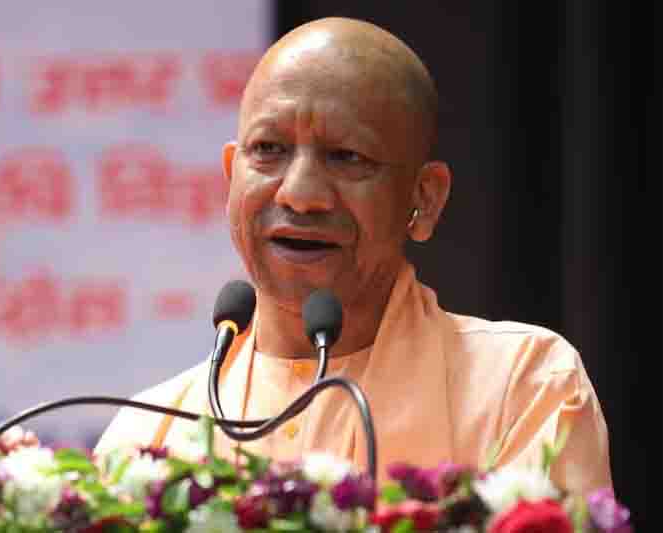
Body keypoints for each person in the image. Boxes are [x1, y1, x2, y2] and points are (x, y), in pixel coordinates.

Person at [96, 17, 612, 495]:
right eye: (269, 149)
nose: (300, 194)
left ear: (425, 199)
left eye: (346, 156)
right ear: (232, 177)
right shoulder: (147, 438)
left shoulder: (520, 387)